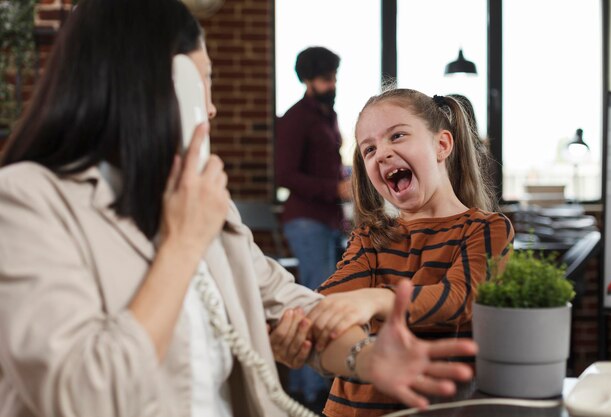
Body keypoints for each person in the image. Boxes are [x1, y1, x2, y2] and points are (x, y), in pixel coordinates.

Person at [0, 2, 478, 417]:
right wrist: (184, 242)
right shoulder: (26, 201)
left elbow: (288, 304)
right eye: (204, 83)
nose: (210, 109)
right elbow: (82, 396)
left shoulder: (205, 199)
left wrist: (370, 358)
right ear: (157, 87)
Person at [275, 89, 515, 417]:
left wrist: (376, 300)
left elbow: (461, 297)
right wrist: (301, 328)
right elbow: (329, 303)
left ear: (442, 145)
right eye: (369, 149)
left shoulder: (485, 230)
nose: (382, 153)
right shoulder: (371, 238)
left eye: (397, 136)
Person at [274, 45, 351, 408]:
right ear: (307, 80)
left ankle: (320, 384)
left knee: (328, 299)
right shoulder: (295, 119)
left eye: (334, 77)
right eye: (325, 78)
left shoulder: (328, 116)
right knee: (314, 303)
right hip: (305, 220)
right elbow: (284, 174)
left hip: (331, 220)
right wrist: (333, 188)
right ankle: (307, 393)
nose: (331, 83)